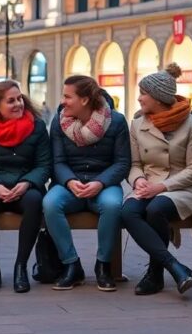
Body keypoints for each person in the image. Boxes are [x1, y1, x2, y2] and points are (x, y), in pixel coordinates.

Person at [122, 64, 192, 296]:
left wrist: (162, 186)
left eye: (143, 94)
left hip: (182, 187)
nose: (139, 98)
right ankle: (175, 267)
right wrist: (138, 181)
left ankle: (155, 275)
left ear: (158, 98)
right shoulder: (138, 124)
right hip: (149, 183)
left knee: (156, 208)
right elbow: (135, 164)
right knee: (128, 212)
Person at [43, 75, 129, 292]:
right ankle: (71, 265)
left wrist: (100, 182)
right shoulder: (59, 121)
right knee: (50, 204)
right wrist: (70, 181)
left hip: (104, 184)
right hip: (69, 183)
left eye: (67, 96)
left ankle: (103, 265)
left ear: (84, 100)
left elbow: (122, 162)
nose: (63, 101)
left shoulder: (116, 121)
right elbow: (57, 161)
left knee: (112, 205)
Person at [0, 80, 51, 294]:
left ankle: (21, 266)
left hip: (26, 186)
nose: (18, 104)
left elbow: (44, 165)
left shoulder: (37, 126)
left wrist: (27, 182)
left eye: (19, 99)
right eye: (11, 101)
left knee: (35, 200)